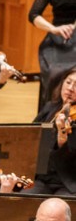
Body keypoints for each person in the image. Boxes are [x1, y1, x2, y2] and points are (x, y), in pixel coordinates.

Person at [22, 66, 76, 195]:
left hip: (68, 181)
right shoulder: (50, 107)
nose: (70, 88)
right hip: (42, 177)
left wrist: (62, 141)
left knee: (59, 209)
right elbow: (31, 134)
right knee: (22, 200)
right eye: (68, 82)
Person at [29, 0, 76, 108]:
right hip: (56, 40)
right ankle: (49, 118)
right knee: (54, 73)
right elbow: (33, 15)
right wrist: (54, 29)